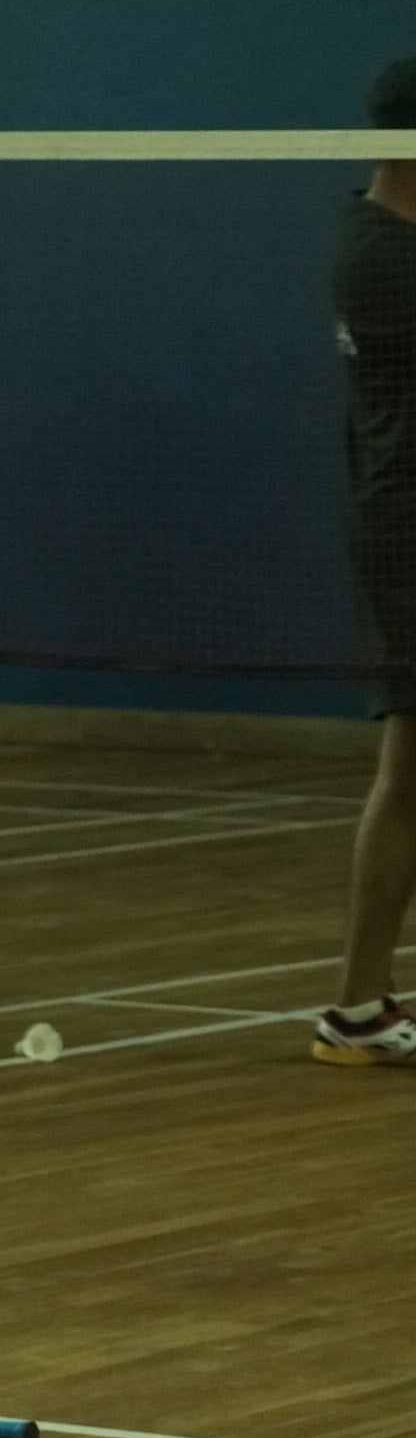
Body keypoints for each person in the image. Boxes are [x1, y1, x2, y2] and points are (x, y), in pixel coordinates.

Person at [319, 52, 416, 1068]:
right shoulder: (379, 257)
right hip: (409, 536)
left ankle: (358, 1009)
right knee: (411, 770)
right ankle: (353, 1009)